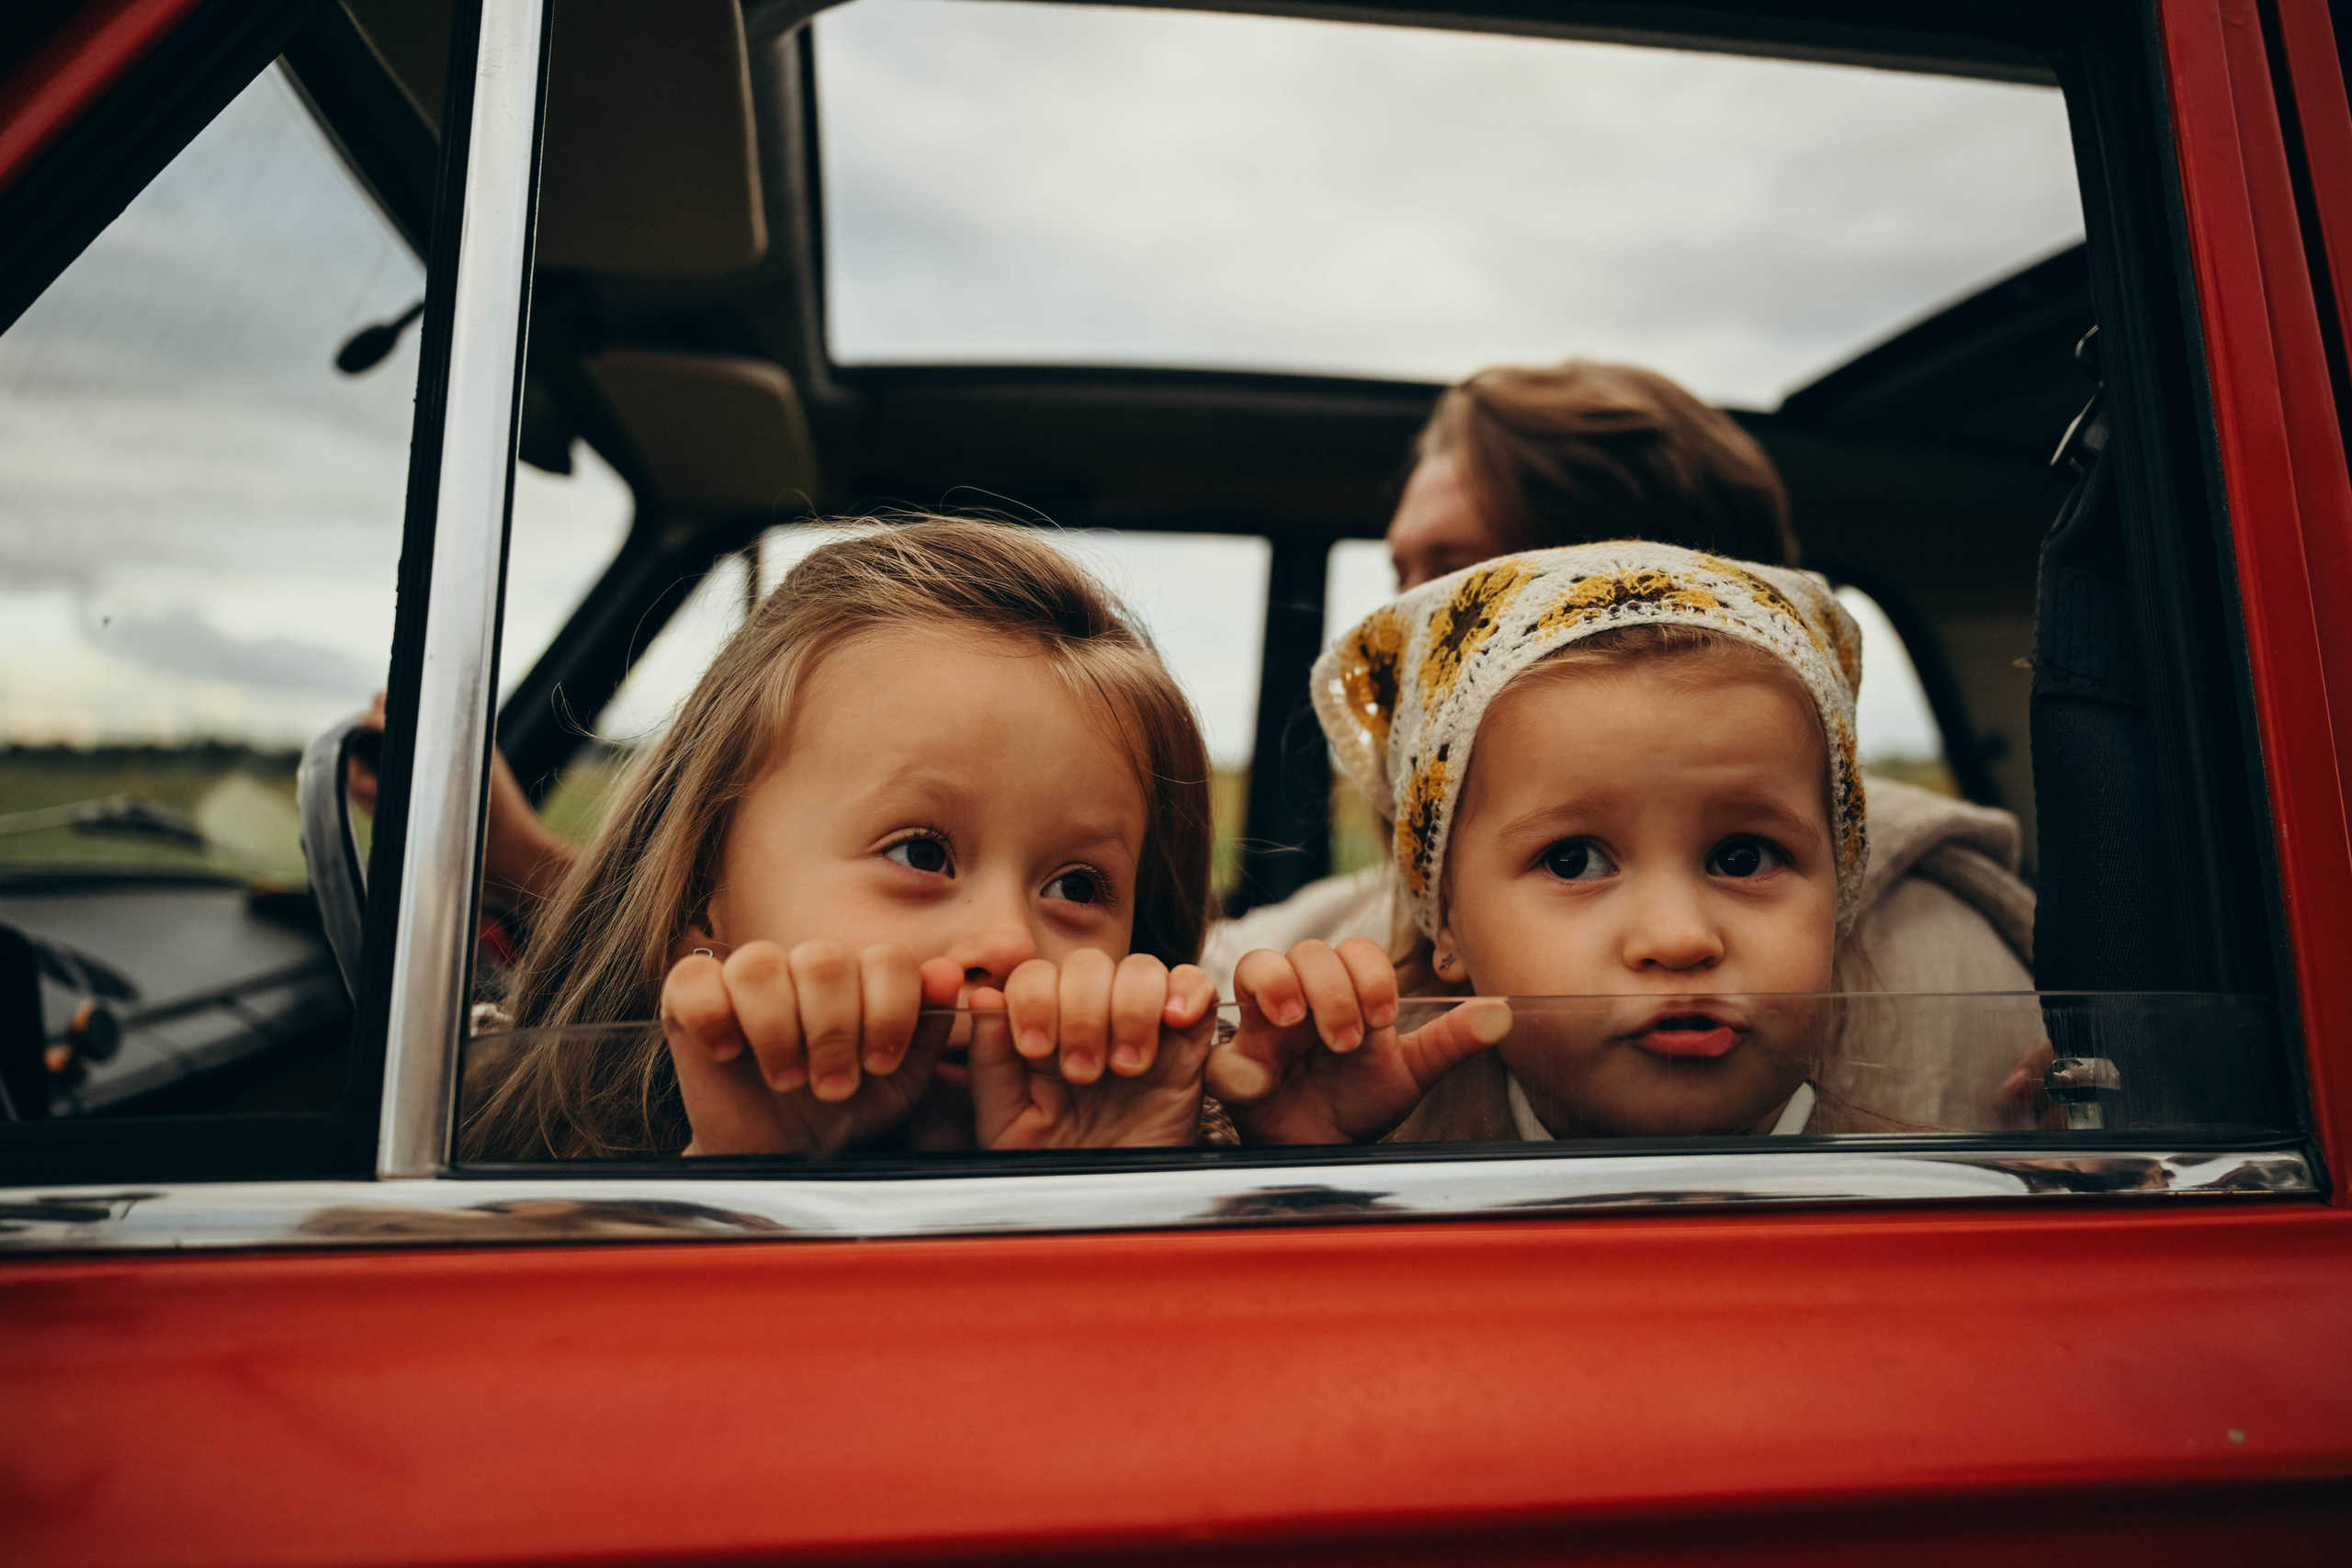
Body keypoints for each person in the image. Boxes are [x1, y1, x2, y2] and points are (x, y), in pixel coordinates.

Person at [456, 518, 1484, 1160]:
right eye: (920, 854)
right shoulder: (501, 1155)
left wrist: (1122, 1184)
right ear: (703, 889)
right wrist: (741, 1188)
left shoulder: (1175, 1141)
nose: (1004, 942)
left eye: (1079, 884)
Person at [1205, 360, 2036, 1130]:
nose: (1421, 629)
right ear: (1448, 910)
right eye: (1572, 861)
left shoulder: (1939, 965)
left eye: (1459, 581)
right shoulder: (1376, 934)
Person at [1210, 541, 1928, 1143]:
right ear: (1446, 914)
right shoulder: (1380, 1152)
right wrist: (1309, 1178)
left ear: (1840, 890)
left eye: (1743, 857)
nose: (1678, 938)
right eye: (1572, 859)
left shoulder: (1936, 1197)